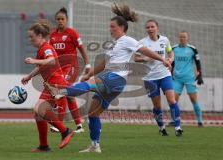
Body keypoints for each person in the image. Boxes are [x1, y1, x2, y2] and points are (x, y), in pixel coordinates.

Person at [44, 4, 171, 153]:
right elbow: (103, 63)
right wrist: (89, 74)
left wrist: (162, 59)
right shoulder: (113, 45)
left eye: (113, 27)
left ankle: (60, 92)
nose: (110, 29)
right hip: (112, 80)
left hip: (115, 78)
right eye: (110, 27)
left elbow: (144, 50)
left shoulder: (127, 40)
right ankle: (95, 146)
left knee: (87, 85)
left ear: (122, 28)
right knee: (93, 113)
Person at [21, 19, 74, 152]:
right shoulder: (41, 49)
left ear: (40, 36)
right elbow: (42, 66)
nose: (30, 39)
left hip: (56, 84)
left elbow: (51, 61)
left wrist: (34, 60)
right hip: (50, 84)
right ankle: (44, 146)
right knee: (37, 113)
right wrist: (29, 76)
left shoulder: (47, 48)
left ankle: (65, 131)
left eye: (32, 37)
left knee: (39, 109)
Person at [134, 19, 183, 136]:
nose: (150, 29)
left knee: (172, 100)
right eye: (148, 27)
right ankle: (161, 127)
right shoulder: (142, 42)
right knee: (157, 105)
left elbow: (170, 53)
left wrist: (170, 59)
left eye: (152, 27)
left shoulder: (164, 40)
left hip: (164, 74)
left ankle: (178, 127)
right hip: (150, 78)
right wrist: (145, 59)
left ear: (157, 28)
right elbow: (135, 58)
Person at [48, 7, 90, 133]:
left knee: (62, 92)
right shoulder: (53, 35)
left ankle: (58, 124)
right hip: (59, 70)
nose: (60, 21)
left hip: (71, 67)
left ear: (66, 20)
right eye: (58, 19)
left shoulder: (72, 33)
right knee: (69, 96)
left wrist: (87, 64)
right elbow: (50, 53)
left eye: (62, 19)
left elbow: (82, 48)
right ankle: (79, 125)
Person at [171, 31, 204, 127]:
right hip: (177, 78)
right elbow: (172, 63)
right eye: (181, 37)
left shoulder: (192, 49)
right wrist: (169, 74)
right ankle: (174, 121)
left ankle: (199, 121)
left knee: (193, 100)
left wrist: (200, 75)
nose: (182, 39)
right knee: (173, 100)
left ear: (187, 38)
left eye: (184, 37)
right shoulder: (174, 49)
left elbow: (198, 63)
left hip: (189, 78)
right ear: (178, 37)